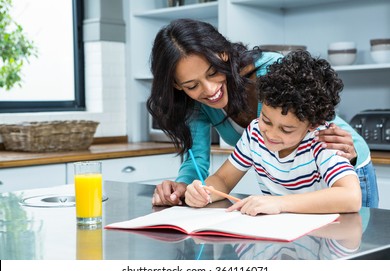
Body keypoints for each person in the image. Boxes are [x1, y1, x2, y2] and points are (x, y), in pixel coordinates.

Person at [147, 18, 378, 207]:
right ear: (178, 86)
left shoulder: (273, 80)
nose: (209, 90)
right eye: (191, 85)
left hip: (342, 161)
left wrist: (279, 203)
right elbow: (206, 165)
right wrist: (187, 190)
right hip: (288, 187)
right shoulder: (258, 132)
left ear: (223, 55)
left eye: (212, 73)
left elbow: (347, 195)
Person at [185, 50, 362, 215]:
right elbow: (223, 179)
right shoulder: (254, 133)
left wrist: (280, 203)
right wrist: (204, 191)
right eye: (266, 120)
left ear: (313, 125)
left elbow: (351, 197)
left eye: (286, 129)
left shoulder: (322, 142)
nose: (270, 134)